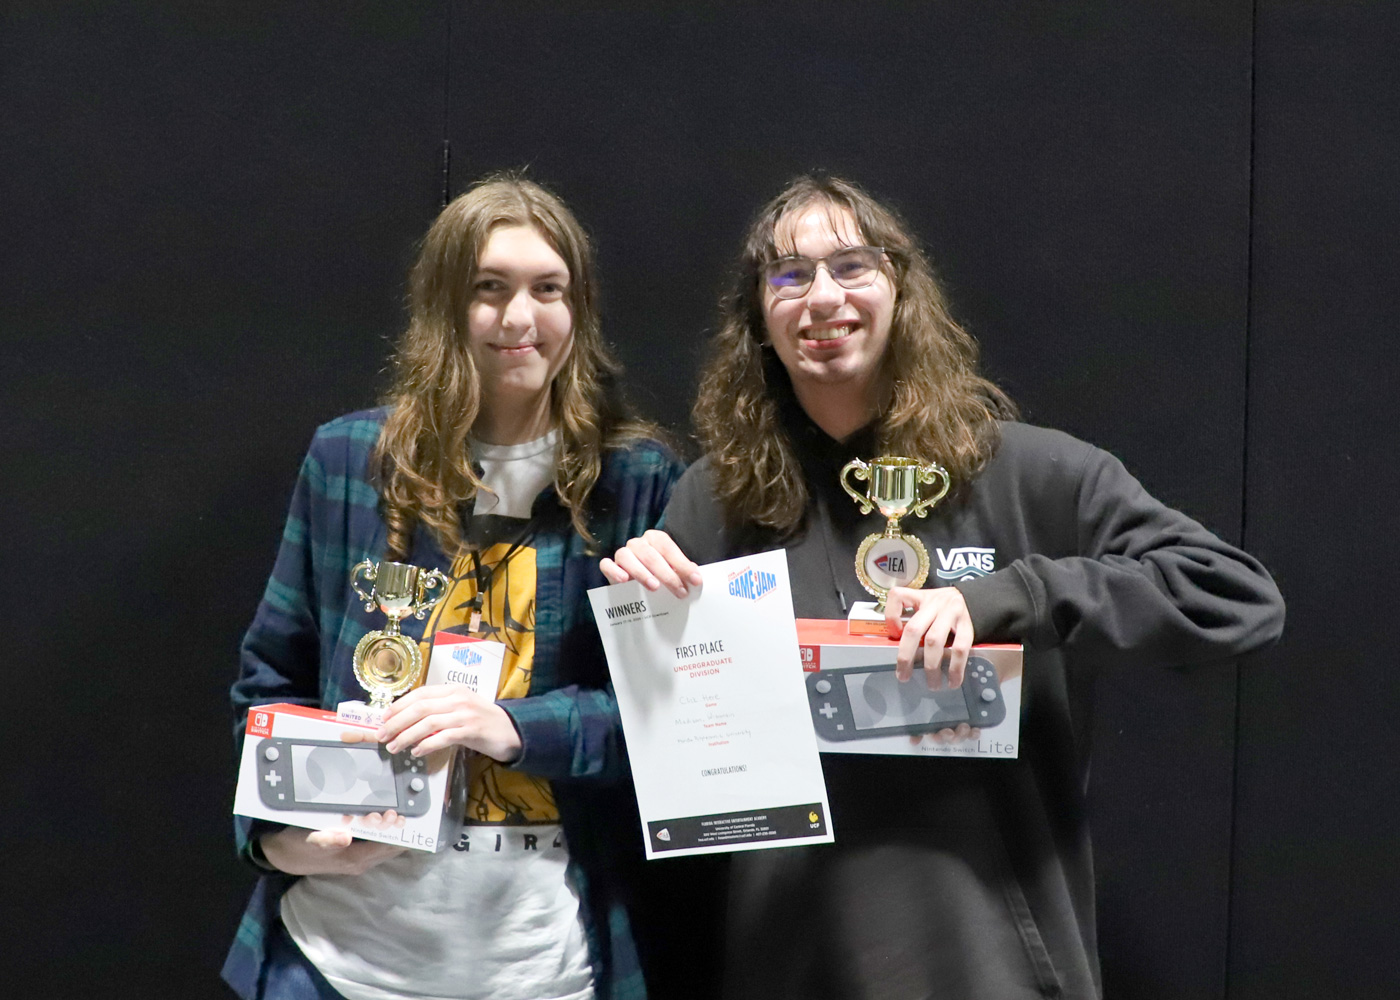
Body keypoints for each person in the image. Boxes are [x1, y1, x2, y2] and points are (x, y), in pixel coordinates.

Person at [600, 175, 1285, 1000]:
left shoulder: (1033, 474)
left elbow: (1236, 598)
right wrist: (644, 609)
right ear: (758, 322)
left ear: (901, 289)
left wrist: (1015, 597)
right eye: (788, 276)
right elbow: (661, 748)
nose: (822, 297)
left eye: (852, 266)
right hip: (789, 964)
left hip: (994, 965)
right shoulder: (716, 502)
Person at [224, 175, 682, 1000]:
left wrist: (510, 725)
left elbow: (671, 724)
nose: (519, 318)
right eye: (489, 289)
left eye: (548, 289)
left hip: (547, 960)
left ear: (578, 308)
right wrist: (279, 839)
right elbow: (269, 683)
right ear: (445, 304)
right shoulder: (349, 461)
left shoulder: (638, 479)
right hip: (333, 958)